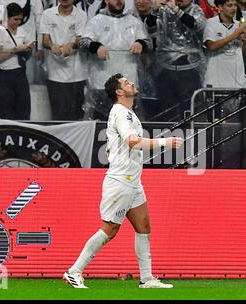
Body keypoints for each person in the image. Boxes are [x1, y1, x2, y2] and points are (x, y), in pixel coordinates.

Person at [63, 73, 183, 289]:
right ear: (119, 92)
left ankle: (147, 279)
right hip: (121, 180)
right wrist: (165, 141)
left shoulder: (127, 112)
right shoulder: (121, 113)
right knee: (109, 230)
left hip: (133, 180)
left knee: (143, 226)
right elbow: (133, 142)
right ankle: (74, 271)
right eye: (126, 83)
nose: (132, 83)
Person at [81, 0, 151, 121]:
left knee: (128, 126)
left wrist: (141, 43)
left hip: (128, 82)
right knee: (103, 127)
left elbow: (149, 43)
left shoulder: (134, 21)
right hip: (102, 83)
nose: (118, 1)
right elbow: (83, 43)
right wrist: (96, 46)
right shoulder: (96, 21)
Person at [145, 0, 206, 121]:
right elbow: (150, 28)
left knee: (191, 110)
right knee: (167, 111)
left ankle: (190, 137)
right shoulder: (163, 11)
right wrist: (154, 12)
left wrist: (177, 11)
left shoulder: (196, 10)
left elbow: (196, 25)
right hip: (165, 67)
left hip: (190, 68)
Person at [41, 0, 88, 120]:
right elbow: (45, 40)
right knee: (58, 114)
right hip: (54, 73)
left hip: (77, 73)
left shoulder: (81, 14)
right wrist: (52, 46)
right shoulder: (47, 14)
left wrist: (71, 45)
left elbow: (80, 40)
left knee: (77, 115)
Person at [0, 2, 34, 120]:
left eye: (20, 19)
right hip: (4, 75)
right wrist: (14, 50)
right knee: (5, 111)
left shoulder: (23, 31)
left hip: (20, 73)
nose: (18, 22)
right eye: (15, 19)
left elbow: (28, 54)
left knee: (24, 109)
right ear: (7, 17)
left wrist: (28, 50)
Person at [203, 0, 246, 89]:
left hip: (237, 82)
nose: (233, 8)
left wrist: (245, 43)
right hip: (216, 82)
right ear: (220, 7)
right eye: (229, 5)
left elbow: (244, 57)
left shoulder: (239, 25)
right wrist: (235, 35)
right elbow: (211, 46)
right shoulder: (211, 23)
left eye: (235, 5)